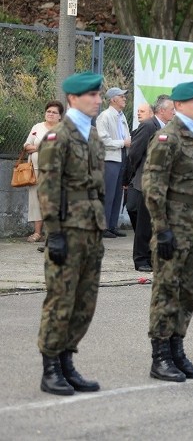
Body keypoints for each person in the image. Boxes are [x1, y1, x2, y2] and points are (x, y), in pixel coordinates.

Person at [36, 71, 105, 396]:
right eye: (92, 95)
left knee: (84, 301)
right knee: (61, 299)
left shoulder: (91, 135)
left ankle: (67, 361)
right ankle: (50, 367)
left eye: (99, 95)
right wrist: (55, 234)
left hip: (91, 230)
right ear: (74, 98)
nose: (98, 100)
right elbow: (48, 187)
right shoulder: (58, 137)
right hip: (67, 230)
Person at [142, 81, 193, 383]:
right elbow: (153, 187)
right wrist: (162, 230)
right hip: (172, 229)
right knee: (166, 292)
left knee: (187, 293)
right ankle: (161, 357)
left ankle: (177, 350)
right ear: (179, 105)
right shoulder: (166, 138)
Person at [125, 95, 174, 272]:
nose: (174, 113)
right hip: (145, 182)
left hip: (159, 185)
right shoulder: (148, 126)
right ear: (162, 110)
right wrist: (137, 176)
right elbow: (134, 154)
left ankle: (151, 258)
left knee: (154, 223)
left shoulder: (165, 128)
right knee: (144, 224)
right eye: (171, 110)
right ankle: (141, 259)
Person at [23, 100, 64, 243]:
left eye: (54, 112)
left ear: (60, 116)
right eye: (48, 111)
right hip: (35, 170)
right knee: (35, 200)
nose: (51, 114)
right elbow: (27, 146)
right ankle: (37, 233)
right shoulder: (37, 127)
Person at [96, 87, 131, 238]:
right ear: (113, 99)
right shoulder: (104, 116)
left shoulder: (121, 116)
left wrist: (125, 145)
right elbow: (103, 140)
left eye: (124, 96)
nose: (124, 98)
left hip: (122, 156)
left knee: (118, 193)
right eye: (121, 96)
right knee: (108, 193)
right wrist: (122, 143)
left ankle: (112, 225)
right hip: (110, 158)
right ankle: (102, 227)